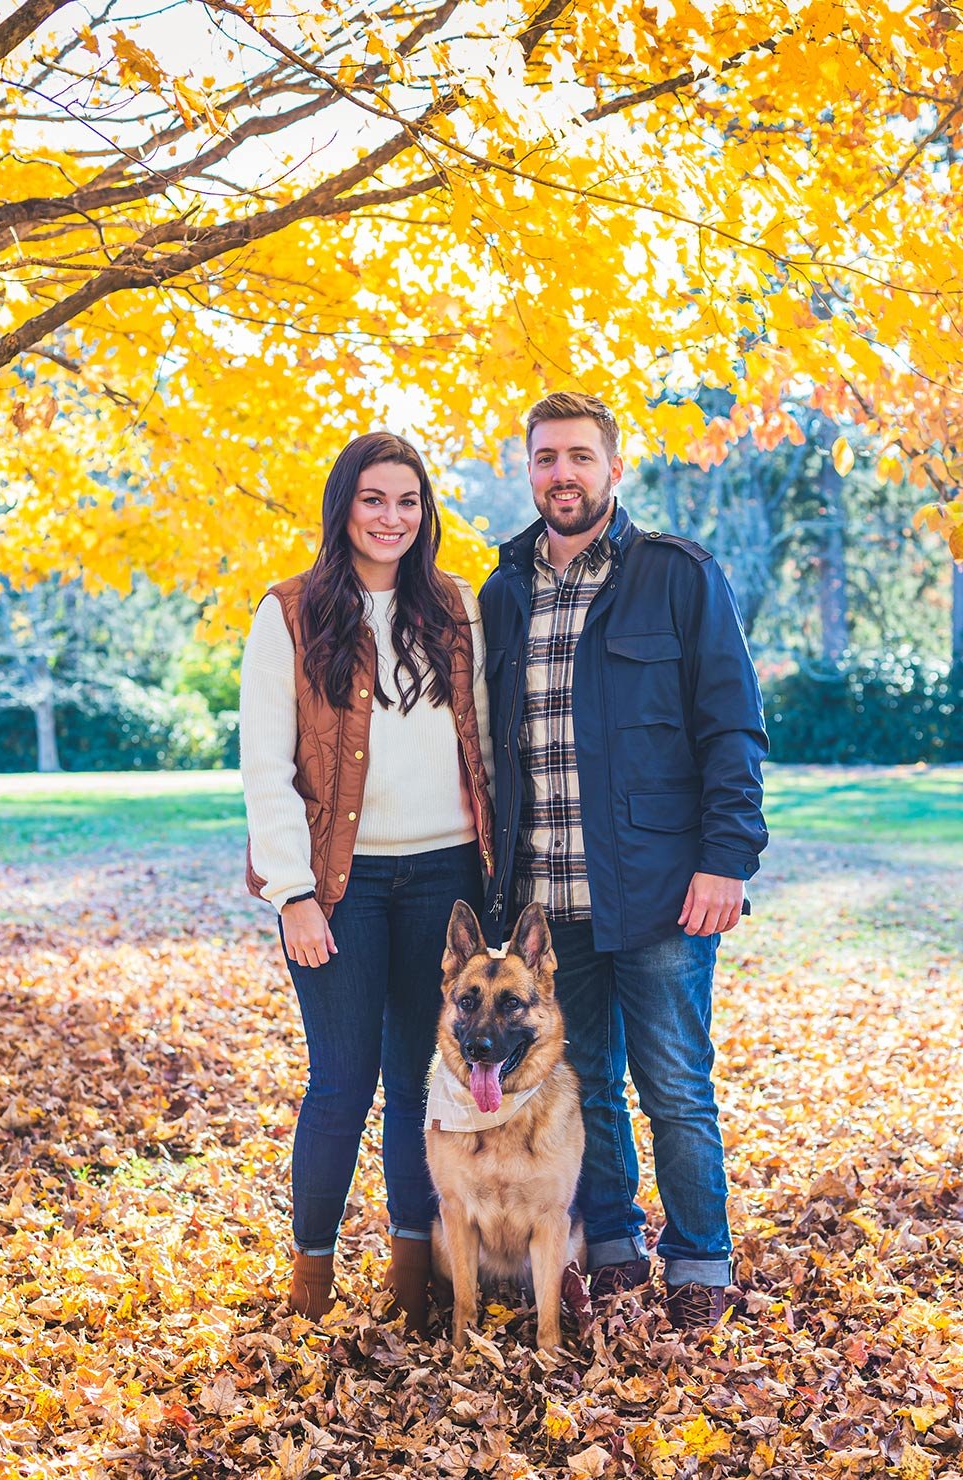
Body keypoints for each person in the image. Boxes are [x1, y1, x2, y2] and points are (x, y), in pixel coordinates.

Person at [478, 390, 768, 1329]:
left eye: (579, 456)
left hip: (659, 894)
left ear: (613, 467)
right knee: (581, 1081)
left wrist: (727, 861)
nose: (561, 473)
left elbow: (732, 729)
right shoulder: (504, 588)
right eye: (545, 458)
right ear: (529, 470)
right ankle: (612, 1247)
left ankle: (700, 1261)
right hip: (547, 906)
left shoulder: (677, 577)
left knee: (676, 1084)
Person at [239, 430, 495, 1332]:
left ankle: (412, 1276)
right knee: (341, 1083)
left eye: (409, 501)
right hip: (338, 887)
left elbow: (487, 744)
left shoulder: (457, 609)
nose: (392, 518)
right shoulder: (292, 612)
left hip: (446, 879)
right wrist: (293, 893)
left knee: (419, 1080)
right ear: (343, 505)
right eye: (374, 499)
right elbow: (265, 767)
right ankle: (311, 1281)